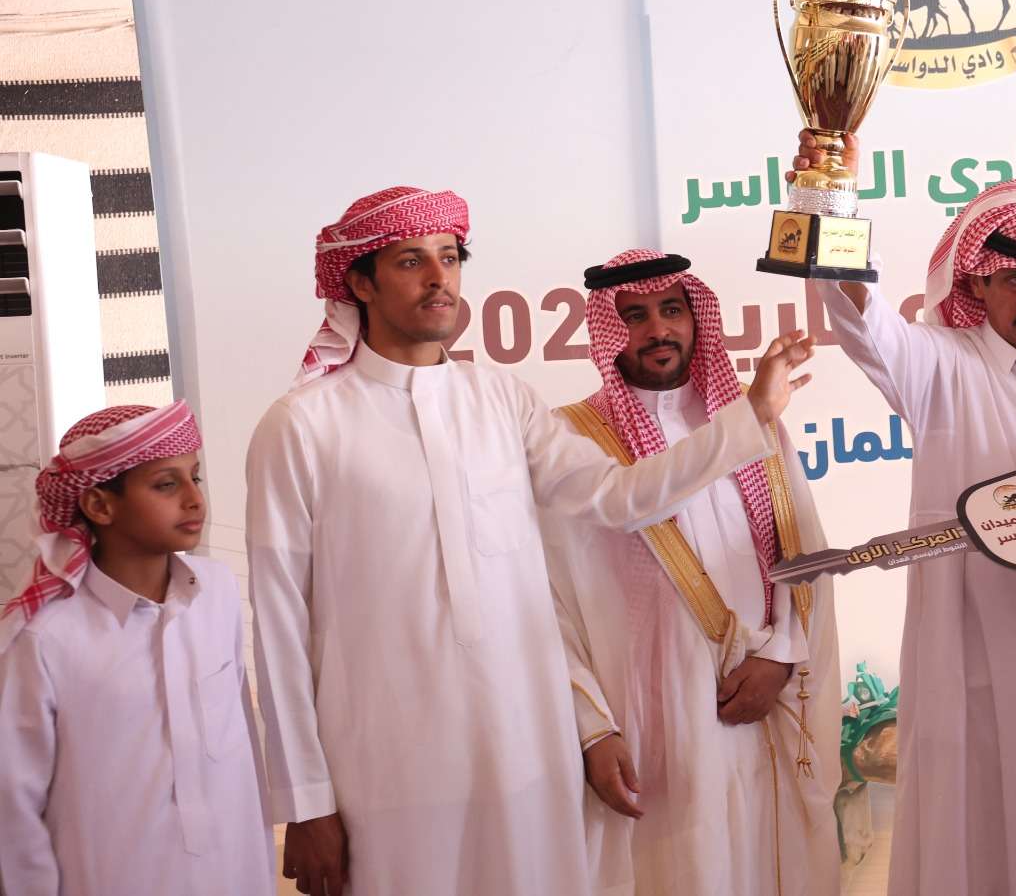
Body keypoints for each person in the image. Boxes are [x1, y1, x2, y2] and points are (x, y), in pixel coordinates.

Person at [246, 187, 814, 896]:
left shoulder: (502, 399)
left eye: (450, 258)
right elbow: (278, 624)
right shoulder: (301, 425)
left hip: (527, 749)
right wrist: (306, 802)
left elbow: (620, 497)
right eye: (411, 262)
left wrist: (751, 415)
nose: (439, 279)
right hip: (386, 759)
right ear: (360, 283)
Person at [795, 132, 1016, 895]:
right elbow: (857, 315)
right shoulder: (937, 363)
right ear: (978, 283)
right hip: (971, 658)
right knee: (976, 827)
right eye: (1015, 278)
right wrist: (831, 201)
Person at [546, 249, 842, 896]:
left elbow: (801, 551)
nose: (658, 330)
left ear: (695, 317)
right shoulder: (571, 442)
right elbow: (549, 605)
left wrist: (781, 656)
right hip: (656, 719)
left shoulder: (752, 422)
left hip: (765, 703)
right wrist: (591, 727)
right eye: (635, 316)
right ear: (608, 330)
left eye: (671, 310)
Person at [0, 402, 272, 896]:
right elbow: (13, 808)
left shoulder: (217, 592)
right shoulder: (46, 637)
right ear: (99, 506)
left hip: (232, 870)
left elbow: (243, 747)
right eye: (166, 485)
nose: (194, 499)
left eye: (195, 478)